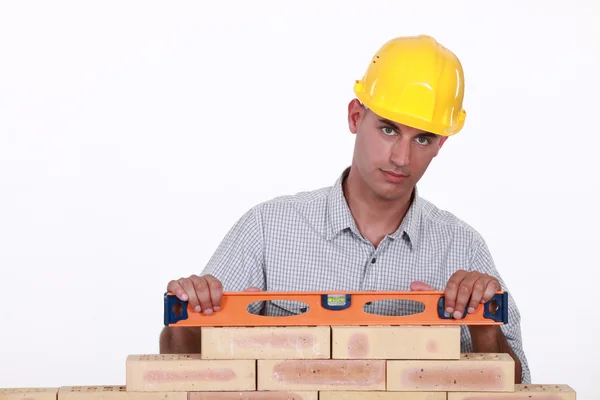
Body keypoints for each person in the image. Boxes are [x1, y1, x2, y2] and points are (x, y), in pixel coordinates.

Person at [159, 34, 530, 384]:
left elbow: (521, 387)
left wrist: (484, 328)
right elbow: (177, 366)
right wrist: (192, 315)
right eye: (388, 130)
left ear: (440, 144)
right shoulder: (267, 230)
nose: (402, 158)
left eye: (422, 138)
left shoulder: (461, 248)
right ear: (355, 117)